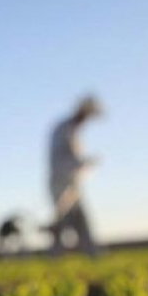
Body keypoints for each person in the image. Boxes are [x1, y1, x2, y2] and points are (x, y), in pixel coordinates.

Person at [46, 96, 101, 256]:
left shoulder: (72, 130)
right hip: (61, 183)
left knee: (80, 220)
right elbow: (64, 159)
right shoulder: (64, 129)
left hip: (72, 183)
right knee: (64, 221)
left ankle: (92, 254)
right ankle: (55, 256)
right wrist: (85, 162)